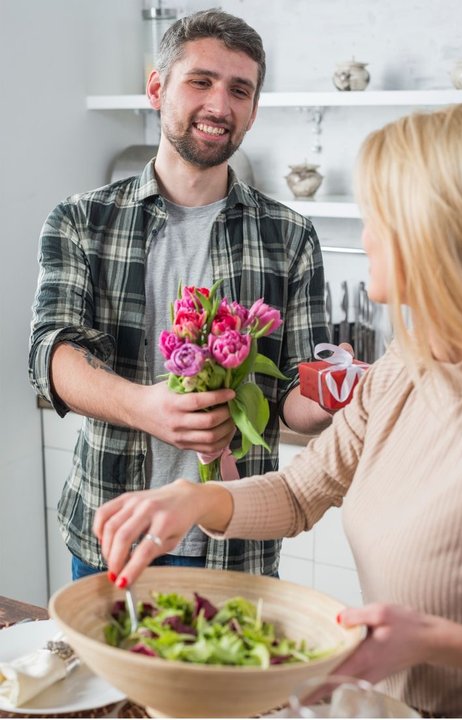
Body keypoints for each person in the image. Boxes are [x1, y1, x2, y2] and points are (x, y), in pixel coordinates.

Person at [94, 103, 462, 718]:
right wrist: (195, 499)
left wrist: (440, 643)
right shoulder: (406, 368)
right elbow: (303, 490)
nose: (366, 228)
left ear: (435, 229)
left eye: (379, 212)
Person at [28, 9, 335, 582]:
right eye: (201, 81)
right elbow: (51, 352)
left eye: (239, 90)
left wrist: (335, 397)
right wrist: (148, 407)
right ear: (157, 88)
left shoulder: (290, 235)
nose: (220, 105)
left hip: (237, 546)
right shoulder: (81, 220)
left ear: (252, 110)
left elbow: (296, 389)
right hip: (112, 534)